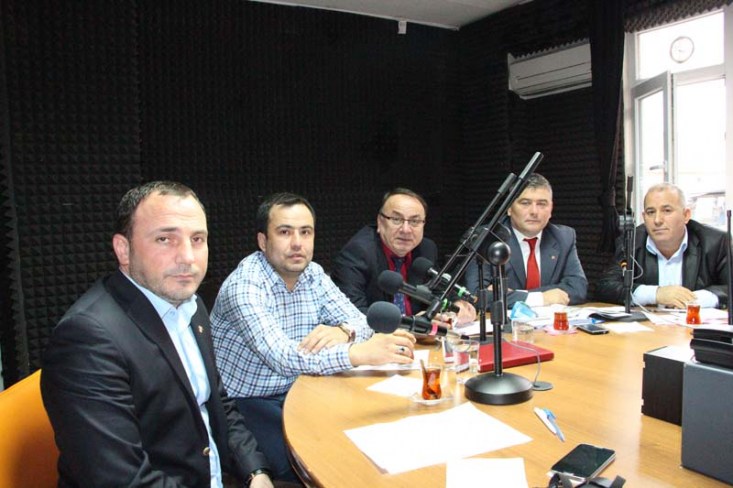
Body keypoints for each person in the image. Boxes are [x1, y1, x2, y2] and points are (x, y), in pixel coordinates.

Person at [41, 181, 273, 487]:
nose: (187, 257)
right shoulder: (87, 339)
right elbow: (120, 479)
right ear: (123, 250)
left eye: (197, 239)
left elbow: (218, 403)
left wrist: (256, 472)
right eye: (165, 239)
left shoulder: (191, 307)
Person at [210, 192, 416, 483]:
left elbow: (362, 321)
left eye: (305, 232)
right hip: (250, 402)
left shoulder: (313, 274)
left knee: (370, 438)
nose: (297, 243)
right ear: (263, 241)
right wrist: (356, 353)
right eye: (285, 232)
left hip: (304, 385)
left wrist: (344, 332)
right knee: (314, 465)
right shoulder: (244, 286)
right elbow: (283, 357)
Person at [331, 188, 476, 322]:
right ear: (380, 222)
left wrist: (457, 303)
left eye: (414, 221)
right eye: (396, 219)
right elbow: (353, 315)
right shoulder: (357, 253)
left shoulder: (426, 249)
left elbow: (439, 290)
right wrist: (411, 324)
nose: (406, 230)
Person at [596, 183, 729, 309]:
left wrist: (694, 299)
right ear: (643, 217)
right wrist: (656, 294)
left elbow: (729, 287)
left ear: (686, 215)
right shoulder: (630, 241)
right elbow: (605, 286)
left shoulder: (715, 242)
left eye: (667, 210)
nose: (657, 220)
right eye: (651, 212)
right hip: (649, 325)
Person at [464, 173, 588, 308]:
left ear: (551, 209)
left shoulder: (564, 237)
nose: (534, 211)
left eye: (542, 204)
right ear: (509, 208)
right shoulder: (486, 237)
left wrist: (514, 295)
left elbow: (578, 288)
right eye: (525, 203)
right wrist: (540, 298)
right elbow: (475, 295)